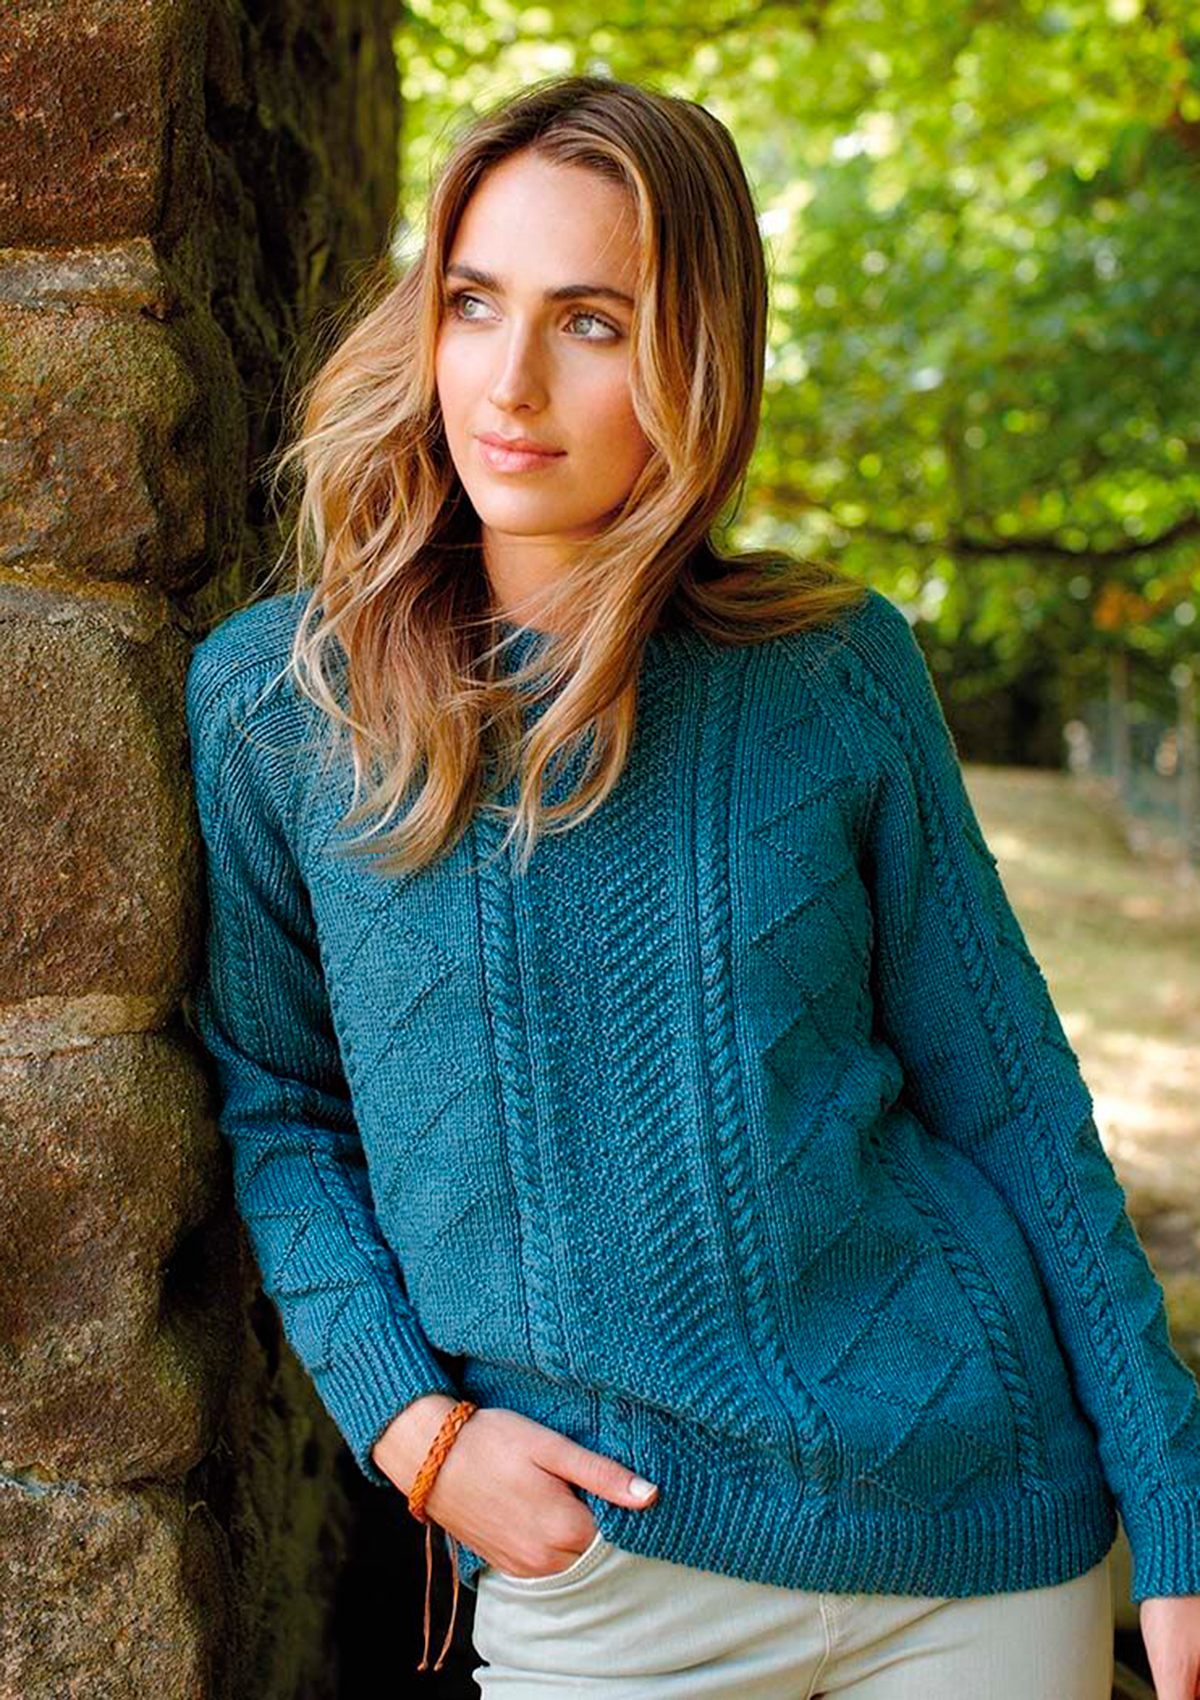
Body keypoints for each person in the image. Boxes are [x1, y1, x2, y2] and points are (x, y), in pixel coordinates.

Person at [184, 71, 1200, 1699]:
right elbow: (281, 1106)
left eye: (591, 322)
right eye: (473, 303)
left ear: (695, 359)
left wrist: (1176, 1495)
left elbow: (1009, 1103)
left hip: (977, 1535)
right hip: (604, 1572)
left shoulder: (833, 672)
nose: (510, 380)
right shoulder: (278, 706)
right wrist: (415, 1431)